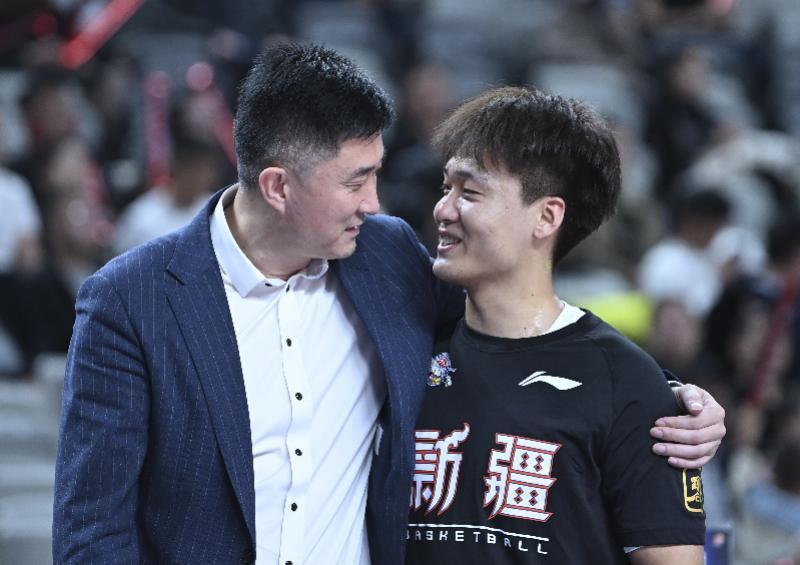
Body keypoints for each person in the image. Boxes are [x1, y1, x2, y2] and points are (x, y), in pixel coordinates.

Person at [53, 44, 723, 565]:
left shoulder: (386, 258)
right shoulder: (131, 301)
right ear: (279, 187)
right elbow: (91, 534)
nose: (377, 203)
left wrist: (666, 398)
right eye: (357, 181)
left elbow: (523, 327)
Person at [406, 87, 706, 563]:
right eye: (447, 189)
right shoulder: (405, 344)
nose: (443, 210)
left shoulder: (629, 384)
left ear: (546, 216)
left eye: (470, 192)